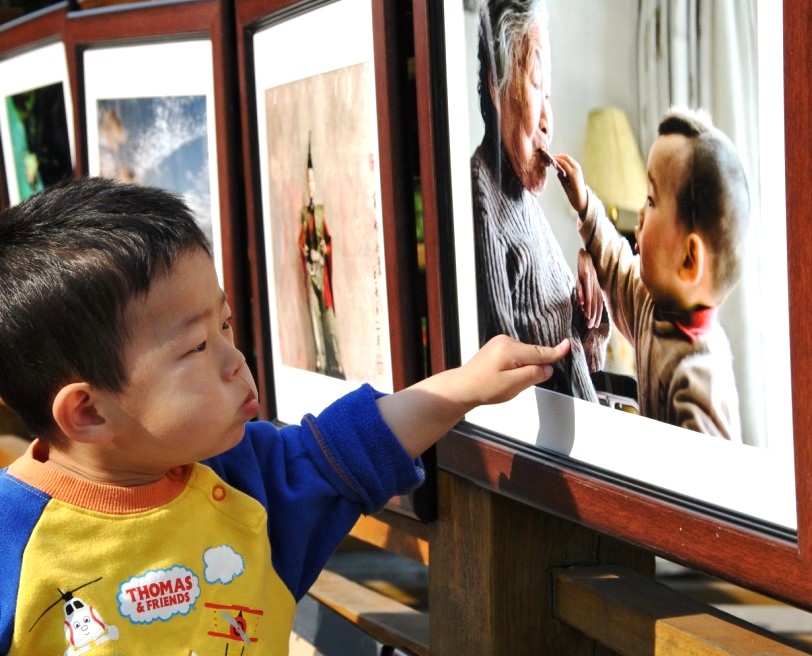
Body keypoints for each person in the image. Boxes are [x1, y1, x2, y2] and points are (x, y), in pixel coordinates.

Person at [0, 176, 570, 654]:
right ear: (88, 412)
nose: (234, 361)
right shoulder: (13, 545)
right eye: (196, 348)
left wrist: (466, 386)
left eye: (223, 325)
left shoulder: (245, 481)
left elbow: (352, 448)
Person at [555, 107, 748, 439]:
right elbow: (616, 265)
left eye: (651, 200)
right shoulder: (650, 305)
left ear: (688, 260)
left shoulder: (701, 378)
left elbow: (711, 486)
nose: (640, 214)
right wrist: (586, 205)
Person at [471, 0, 607, 402]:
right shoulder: (483, 195)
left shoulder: (524, 198)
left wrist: (587, 303)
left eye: (550, 96)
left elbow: (578, 354)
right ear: (496, 86)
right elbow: (508, 379)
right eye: (535, 86)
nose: (548, 120)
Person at [298, 139, 345, 378]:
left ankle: (335, 362)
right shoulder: (304, 214)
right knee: (315, 315)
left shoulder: (320, 212)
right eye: (307, 180)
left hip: (321, 270)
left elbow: (328, 239)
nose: (311, 185)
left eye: (313, 180)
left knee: (327, 315)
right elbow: (301, 241)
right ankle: (321, 361)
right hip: (310, 270)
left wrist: (322, 251)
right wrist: (306, 251)